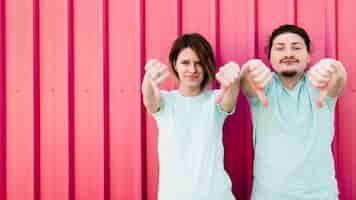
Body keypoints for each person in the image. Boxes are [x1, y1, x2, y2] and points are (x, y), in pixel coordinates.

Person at [241, 24, 347, 200]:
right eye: (280, 48)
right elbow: (247, 80)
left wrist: (334, 66)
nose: (288, 54)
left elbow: (339, 79)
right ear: (270, 57)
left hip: (320, 195)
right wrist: (249, 68)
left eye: (296, 47)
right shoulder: (263, 87)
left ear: (308, 57)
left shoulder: (318, 84)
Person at [141, 33, 239, 200]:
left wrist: (234, 79)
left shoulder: (216, 99)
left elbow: (230, 97)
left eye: (199, 63)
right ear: (174, 64)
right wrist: (149, 79)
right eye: (185, 63)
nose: (192, 70)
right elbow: (149, 97)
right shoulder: (165, 101)